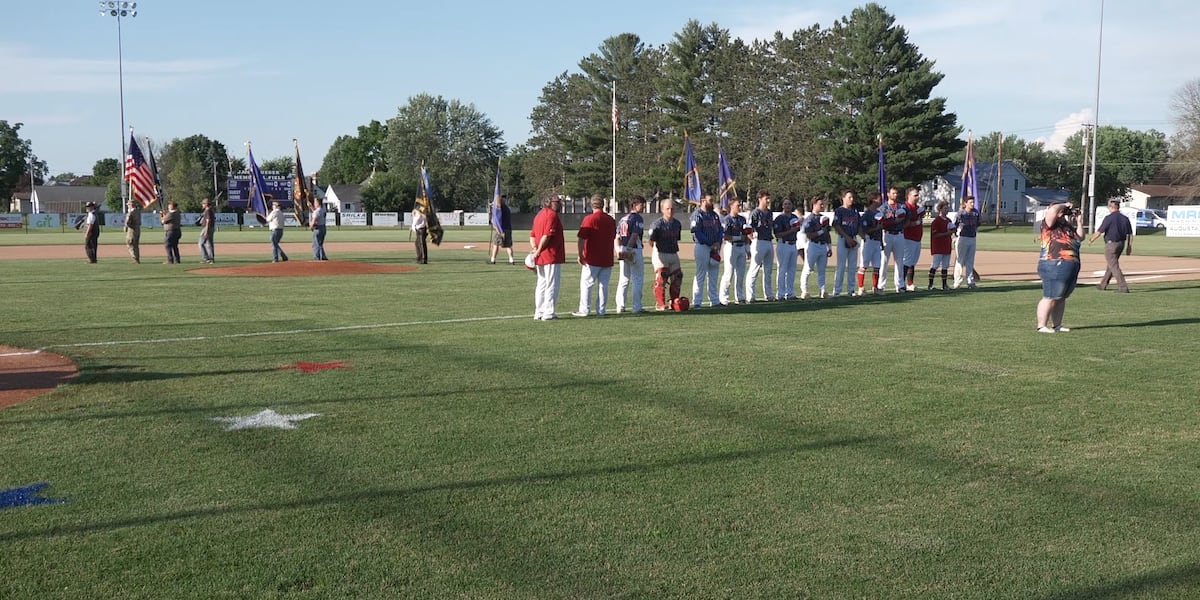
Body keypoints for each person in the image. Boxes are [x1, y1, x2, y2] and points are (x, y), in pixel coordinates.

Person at [1036, 202, 1084, 333]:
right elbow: (1052, 211)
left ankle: (1057, 324)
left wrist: (1079, 222)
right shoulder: (1049, 224)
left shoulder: (1066, 225)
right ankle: (1042, 325)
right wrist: (1063, 204)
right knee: (1050, 296)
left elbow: (1080, 237)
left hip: (1070, 263)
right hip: (1053, 262)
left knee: (1061, 297)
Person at [573, 194, 617, 317]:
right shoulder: (610, 220)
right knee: (604, 285)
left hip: (592, 257)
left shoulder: (589, 219)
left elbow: (581, 239)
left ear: (592, 205)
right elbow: (613, 236)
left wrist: (580, 254)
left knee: (587, 284)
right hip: (607, 257)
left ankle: (585, 309)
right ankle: (601, 310)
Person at [531, 195, 566, 320]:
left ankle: (539, 312)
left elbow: (532, 236)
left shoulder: (539, 215)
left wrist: (535, 249)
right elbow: (547, 236)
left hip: (541, 256)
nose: (559, 204)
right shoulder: (552, 215)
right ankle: (548, 313)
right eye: (557, 202)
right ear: (549, 202)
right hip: (550, 254)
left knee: (541, 284)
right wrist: (538, 250)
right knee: (552, 284)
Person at [1088, 200, 1133, 293]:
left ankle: (1123, 286)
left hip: (1111, 244)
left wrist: (1091, 239)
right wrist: (1129, 246)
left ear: (1111, 207)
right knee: (1111, 264)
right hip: (1121, 243)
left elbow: (1100, 231)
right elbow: (1130, 234)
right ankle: (1103, 284)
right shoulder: (1125, 218)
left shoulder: (1109, 218)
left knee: (1113, 265)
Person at [647, 198, 683, 311]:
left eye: (672, 208)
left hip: (673, 253)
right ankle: (660, 304)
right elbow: (651, 241)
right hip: (660, 253)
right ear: (662, 210)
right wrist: (657, 251)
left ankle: (674, 301)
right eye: (667, 209)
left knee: (678, 277)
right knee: (662, 277)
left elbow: (677, 239)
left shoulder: (677, 224)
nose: (670, 211)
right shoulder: (657, 224)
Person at [689, 194, 723, 308]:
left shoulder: (714, 215)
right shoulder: (697, 214)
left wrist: (718, 243)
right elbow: (697, 232)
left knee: (714, 274)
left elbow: (720, 230)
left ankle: (714, 300)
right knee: (701, 274)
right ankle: (697, 301)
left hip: (714, 247)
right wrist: (710, 243)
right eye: (710, 200)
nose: (712, 202)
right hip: (702, 246)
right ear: (703, 201)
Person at [615, 195, 646, 314]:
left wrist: (619, 250)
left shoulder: (623, 219)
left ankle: (620, 306)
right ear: (634, 205)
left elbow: (617, 237)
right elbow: (634, 235)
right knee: (637, 278)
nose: (643, 207)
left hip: (623, 248)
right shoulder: (637, 218)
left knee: (624, 279)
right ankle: (636, 307)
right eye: (641, 205)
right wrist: (628, 250)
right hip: (634, 249)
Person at [799, 196, 832, 299]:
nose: (822, 206)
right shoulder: (810, 219)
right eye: (820, 204)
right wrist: (821, 230)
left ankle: (822, 290)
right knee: (808, 268)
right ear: (814, 205)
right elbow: (809, 235)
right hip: (813, 245)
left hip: (822, 245)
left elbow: (828, 234)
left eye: (823, 204)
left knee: (822, 270)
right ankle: (804, 291)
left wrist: (829, 246)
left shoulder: (824, 218)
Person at [745, 190, 776, 302]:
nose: (768, 200)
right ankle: (750, 295)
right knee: (754, 269)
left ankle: (768, 294)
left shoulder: (769, 212)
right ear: (760, 199)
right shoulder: (755, 213)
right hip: (759, 241)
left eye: (768, 198)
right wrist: (752, 239)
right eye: (766, 198)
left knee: (768, 270)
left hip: (768, 241)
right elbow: (748, 228)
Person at [718, 198, 750, 305]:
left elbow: (745, 235)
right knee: (729, 273)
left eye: (740, 205)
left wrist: (747, 249)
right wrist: (737, 238)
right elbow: (725, 236)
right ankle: (724, 297)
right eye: (737, 205)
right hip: (731, 246)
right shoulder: (727, 219)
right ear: (731, 206)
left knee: (740, 274)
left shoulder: (742, 219)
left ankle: (739, 296)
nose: (740, 207)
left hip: (741, 247)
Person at [831, 189, 861, 297]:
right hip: (843, 238)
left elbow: (858, 225)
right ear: (843, 198)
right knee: (841, 266)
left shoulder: (855, 211)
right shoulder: (839, 211)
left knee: (853, 266)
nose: (851, 199)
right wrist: (846, 237)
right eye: (849, 197)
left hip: (853, 238)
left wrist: (860, 237)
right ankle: (837, 290)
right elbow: (836, 225)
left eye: (852, 197)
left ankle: (851, 289)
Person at [772, 198, 803, 300]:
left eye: (789, 204)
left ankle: (790, 293)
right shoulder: (779, 218)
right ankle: (780, 293)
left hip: (793, 244)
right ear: (782, 206)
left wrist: (796, 228)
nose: (788, 206)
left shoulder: (794, 217)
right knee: (782, 269)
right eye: (785, 204)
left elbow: (797, 228)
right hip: (783, 244)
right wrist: (791, 231)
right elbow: (777, 234)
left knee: (792, 270)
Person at [879, 186, 907, 292]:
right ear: (888, 194)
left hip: (899, 234)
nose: (895, 195)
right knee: (884, 261)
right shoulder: (883, 208)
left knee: (899, 261)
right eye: (893, 193)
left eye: (896, 193)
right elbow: (882, 222)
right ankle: (881, 285)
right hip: (887, 234)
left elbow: (907, 218)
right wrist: (895, 221)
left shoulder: (901, 206)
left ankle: (899, 285)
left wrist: (902, 221)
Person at [856, 191, 884, 295]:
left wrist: (881, 242)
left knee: (877, 265)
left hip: (877, 241)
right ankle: (861, 287)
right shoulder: (867, 214)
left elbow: (880, 230)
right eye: (879, 199)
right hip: (869, 240)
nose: (881, 201)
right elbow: (864, 230)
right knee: (864, 265)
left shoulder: (879, 213)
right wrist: (876, 228)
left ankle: (875, 287)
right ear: (874, 200)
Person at [953, 195, 981, 289]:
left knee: (970, 261)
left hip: (972, 238)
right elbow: (955, 225)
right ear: (965, 204)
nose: (972, 204)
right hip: (963, 238)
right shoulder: (961, 214)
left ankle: (970, 281)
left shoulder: (976, 213)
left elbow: (978, 223)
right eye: (970, 202)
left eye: (973, 202)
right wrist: (955, 236)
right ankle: (957, 281)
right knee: (960, 261)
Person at [901, 187, 926, 291]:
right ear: (908, 196)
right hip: (908, 238)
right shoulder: (906, 208)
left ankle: (910, 284)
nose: (917, 197)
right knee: (907, 261)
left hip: (917, 238)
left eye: (917, 195)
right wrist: (915, 222)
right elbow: (903, 224)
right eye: (915, 195)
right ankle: (901, 283)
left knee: (913, 262)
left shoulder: (917, 208)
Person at [927, 200, 953, 290]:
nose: (947, 210)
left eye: (947, 208)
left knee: (945, 265)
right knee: (935, 265)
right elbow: (935, 234)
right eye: (945, 208)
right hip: (938, 246)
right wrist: (947, 233)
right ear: (940, 209)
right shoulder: (936, 221)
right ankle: (930, 284)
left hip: (947, 245)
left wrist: (954, 231)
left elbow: (951, 231)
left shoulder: (949, 220)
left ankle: (944, 284)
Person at [488, 194, 515, 265]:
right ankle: (511, 260)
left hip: (500, 229)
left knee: (496, 244)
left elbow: (496, 218)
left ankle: (493, 259)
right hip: (508, 229)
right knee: (508, 245)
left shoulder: (500, 208)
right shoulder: (507, 208)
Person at [197, 198, 215, 264]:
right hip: (210, 228)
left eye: (203, 203)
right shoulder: (209, 210)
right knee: (209, 244)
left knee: (201, 244)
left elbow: (208, 221)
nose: (202, 205)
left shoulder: (208, 211)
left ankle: (206, 258)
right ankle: (211, 259)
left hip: (207, 228)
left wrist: (206, 231)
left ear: (206, 204)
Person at [124, 199, 141, 263]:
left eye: (128, 205)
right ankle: (137, 258)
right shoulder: (138, 211)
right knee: (135, 244)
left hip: (132, 230)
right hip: (137, 229)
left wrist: (126, 226)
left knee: (130, 243)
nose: (128, 206)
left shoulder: (131, 213)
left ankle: (134, 257)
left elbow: (128, 221)